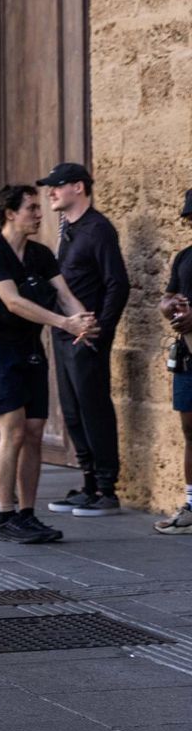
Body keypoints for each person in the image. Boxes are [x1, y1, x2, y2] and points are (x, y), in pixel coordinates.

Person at [0, 183, 97, 545]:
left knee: (33, 431)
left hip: (28, 348)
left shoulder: (41, 254)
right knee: (12, 430)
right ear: (10, 213)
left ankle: (27, 515)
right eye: (31, 208)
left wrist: (85, 320)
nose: (39, 214)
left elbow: (64, 294)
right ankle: (6, 515)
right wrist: (63, 323)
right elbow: (12, 302)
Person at [38, 162, 130, 517]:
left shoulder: (98, 229)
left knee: (94, 409)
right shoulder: (69, 228)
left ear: (78, 187)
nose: (51, 193)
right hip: (64, 333)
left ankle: (107, 489)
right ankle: (89, 482)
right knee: (73, 411)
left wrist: (100, 331)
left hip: (87, 339)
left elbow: (117, 284)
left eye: (57, 186)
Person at [156, 189, 192, 536]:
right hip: (187, 356)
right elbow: (168, 298)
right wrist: (170, 307)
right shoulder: (184, 258)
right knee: (189, 431)